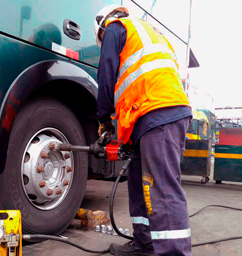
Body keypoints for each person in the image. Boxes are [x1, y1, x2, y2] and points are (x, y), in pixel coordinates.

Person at [94, 5, 193, 256]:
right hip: (151, 114)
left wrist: (104, 119)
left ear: (102, 23)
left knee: (160, 186)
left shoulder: (115, 29)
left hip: (159, 112)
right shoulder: (152, 33)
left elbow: (106, 71)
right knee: (139, 183)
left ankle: (173, 252)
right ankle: (145, 244)